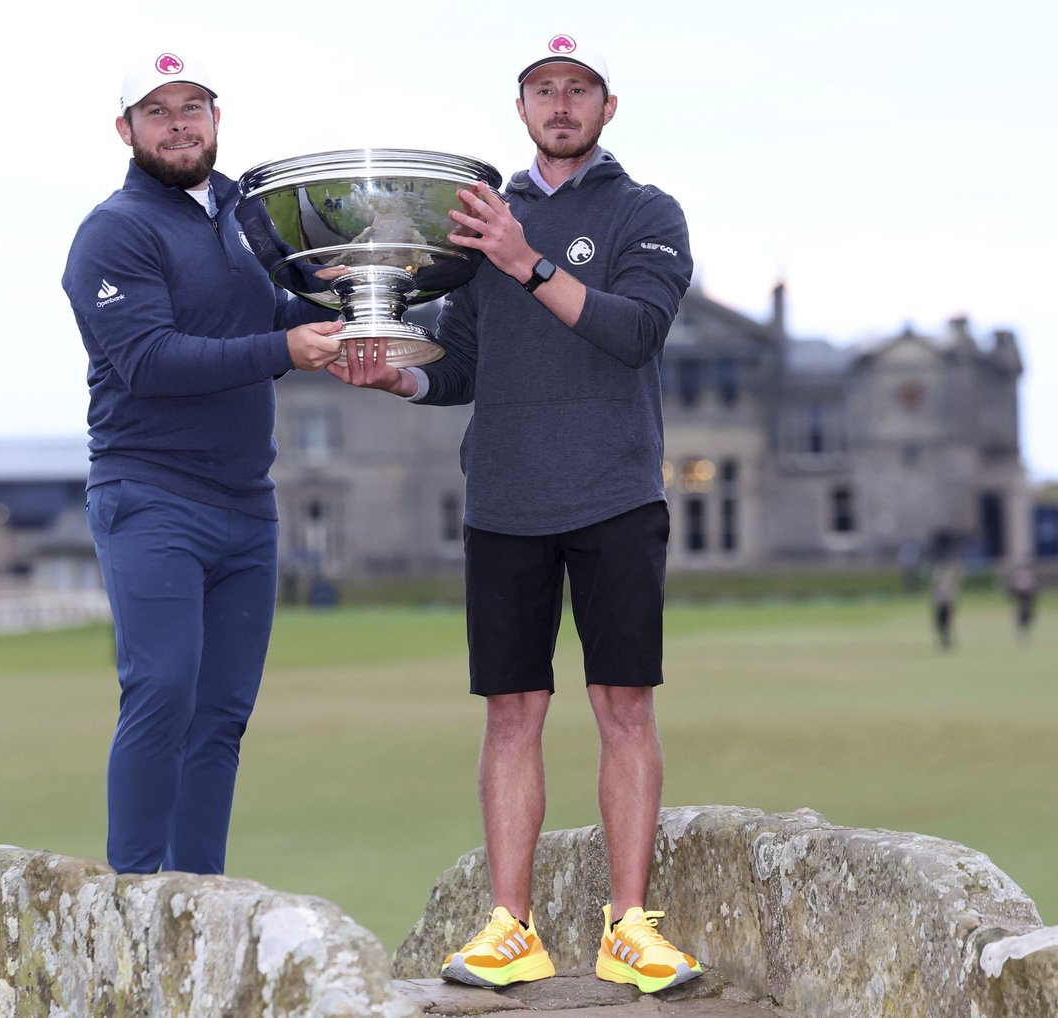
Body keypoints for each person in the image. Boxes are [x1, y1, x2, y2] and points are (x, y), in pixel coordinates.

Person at [331, 34, 700, 994]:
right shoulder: (476, 219)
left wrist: (527, 260)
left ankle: (628, 929)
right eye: (543, 89)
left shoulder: (645, 211)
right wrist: (391, 377)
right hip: (504, 501)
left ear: (608, 107)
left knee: (623, 708)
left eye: (579, 89)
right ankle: (512, 929)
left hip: (616, 495)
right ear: (522, 107)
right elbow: (458, 370)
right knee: (511, 713)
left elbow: (635, 332)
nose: (561, 103)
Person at [61, 48, 345, 876]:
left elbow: (276, 305)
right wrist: (286, 349)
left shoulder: (246, 212)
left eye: (193, 106)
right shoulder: (113, 232)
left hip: (246, 504)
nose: (179, 123)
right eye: (158, 110)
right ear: (126, 129)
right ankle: (135, 900)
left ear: (218, 118)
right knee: (162, 690)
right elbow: (151, 359)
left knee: (221, 713)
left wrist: (353, 300)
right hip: (150, 494)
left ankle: (198, 899)